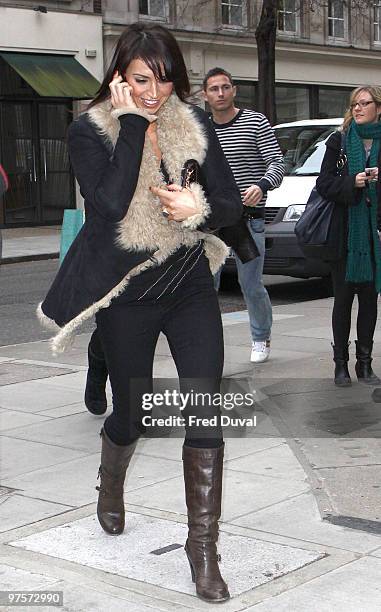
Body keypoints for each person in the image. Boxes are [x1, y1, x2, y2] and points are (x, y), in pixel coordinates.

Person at [38, 23, 242, 603]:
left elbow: (229, 204)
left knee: (206, 410)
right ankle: (111, 482)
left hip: (189, 287)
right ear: (119, 78)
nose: (155, 92)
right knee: (131, 415)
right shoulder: (88, 130)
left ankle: (202, 551)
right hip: (126, 297)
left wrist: (197, 206)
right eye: (141, 80)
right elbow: (106, 206)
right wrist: (132, 125)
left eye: (165, 80)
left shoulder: (195, 123)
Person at [202, 67, 284, 364]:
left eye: (225, 87)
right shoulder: (202, 129)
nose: (221, 93)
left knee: (250, 284)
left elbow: (277, 162)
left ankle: (261, 337)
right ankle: (206, 344)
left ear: (234, 90)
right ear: (205, 95)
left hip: (249, 218)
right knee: (205, 286)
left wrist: (262, 185)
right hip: (211, 222)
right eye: (214, 89)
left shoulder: (255, 122)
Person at [316, 85, 381, 387]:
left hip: (373, 236)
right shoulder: (339, 141)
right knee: (342, 300)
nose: (358, 108)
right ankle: (340, 364)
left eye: (365, 103)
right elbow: (324, 184)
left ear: (378, 108)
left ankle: (364, 364)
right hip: (344, 236)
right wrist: (352, 183)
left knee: (369, 301)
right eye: (355, 104)